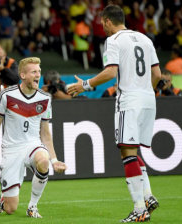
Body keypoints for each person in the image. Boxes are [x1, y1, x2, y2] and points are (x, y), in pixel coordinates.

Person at [68, 4, 161, 223]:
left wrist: (86, 85)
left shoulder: (114, 41)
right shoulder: (145, 39)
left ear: (108, 21)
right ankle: (147, 196)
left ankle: (139, 210)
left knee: (126, 152)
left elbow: (111, 72)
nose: (103, 27)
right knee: (132, 149)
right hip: (148, 100)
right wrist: (147, 91)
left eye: (103, 23)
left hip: (129, 101)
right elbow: (156, 73)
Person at [0, 57, 67, 218]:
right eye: (33, 72)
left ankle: (32, 206)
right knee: (10, 209)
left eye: (39, 71)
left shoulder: (45, 98)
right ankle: (4, 198)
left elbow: (45, 132)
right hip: (11, 149)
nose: (38, 75)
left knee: (43, 161)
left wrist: (54, 159)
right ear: (23, 75)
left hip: (32, 144)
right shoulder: (6, 95)